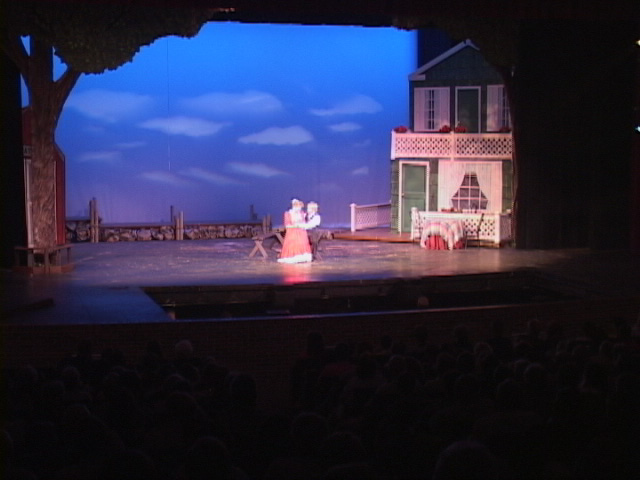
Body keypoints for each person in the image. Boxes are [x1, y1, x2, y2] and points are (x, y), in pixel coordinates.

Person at [277, 198, 313, 264]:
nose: (299, 208)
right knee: (292, 243)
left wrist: (301, 225)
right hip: (292, 232)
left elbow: (303, 222)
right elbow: (287, 225)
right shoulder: (288, 213)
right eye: (297, 206)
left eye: (299, 207)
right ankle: (292, 257)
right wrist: (295, 225)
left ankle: (302, 257)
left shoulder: (301, 213)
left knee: (302, 242)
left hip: (301, 232)